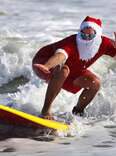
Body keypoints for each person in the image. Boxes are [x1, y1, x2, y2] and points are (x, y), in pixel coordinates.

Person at [32, 16, 116, 119]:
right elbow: (60, 56)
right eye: (83, 34)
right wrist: (47, 66)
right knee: (63, 70)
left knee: (95, 83)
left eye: (90, 36)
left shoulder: (105, 43)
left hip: (73, 71)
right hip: (44, 62)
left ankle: (78, 112)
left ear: (97, 35)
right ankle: (45, 112)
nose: (85, 37)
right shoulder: (72, 41)